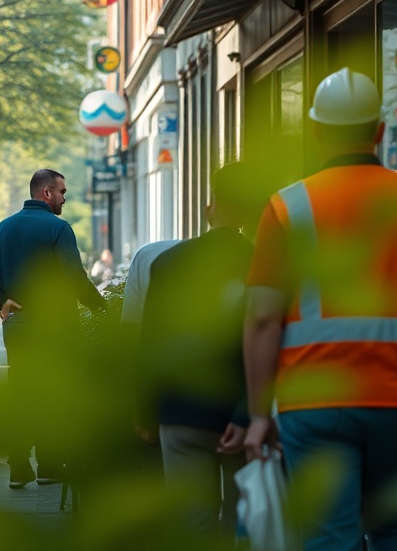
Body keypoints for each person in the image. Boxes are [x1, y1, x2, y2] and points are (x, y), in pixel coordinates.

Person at [242, 68, 397, 551]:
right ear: (379, 130)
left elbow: (263, 318)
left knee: (328, 536)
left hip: (316, 400)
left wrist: (256, 414)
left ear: (316, 131)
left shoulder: (289, 206)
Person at [137, 161, 259, 540]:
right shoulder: (265, 263)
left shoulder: (168, 263)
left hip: (180, 409)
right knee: (246, 518)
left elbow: (150, 342)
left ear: (211, 208)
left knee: (193, 525)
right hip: (245, 409)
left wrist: (144, 408)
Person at [0, 168, 106, 488]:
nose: (64, 199)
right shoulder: (58, 228)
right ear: (46, 193)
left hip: (17, 327)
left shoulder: (3, 227)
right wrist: (100, 307)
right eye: (62, 192)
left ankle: (18, 467)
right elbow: (74, 276)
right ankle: (48, 464)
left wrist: (2, 303)